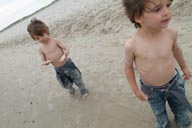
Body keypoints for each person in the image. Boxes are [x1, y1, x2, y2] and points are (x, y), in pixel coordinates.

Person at [122, 0, 191, 127]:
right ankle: (163, 123)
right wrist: (136, 90)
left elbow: (176, 50)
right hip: (151, 90)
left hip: (174, 83)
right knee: (159, 114)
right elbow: (128, 67)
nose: (167, 12)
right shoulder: (132, 45)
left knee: (181, 109)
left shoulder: (171, 34)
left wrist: (184, 67)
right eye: (157, 9)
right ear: (138, 17)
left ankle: (184, 124)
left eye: (168, 5)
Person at [27, 18, 88, 100]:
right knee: (65, 83)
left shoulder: (55, 41)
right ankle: (71, 89)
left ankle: (83, 90)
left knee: (77, 78)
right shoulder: (41, 49)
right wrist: (45, 62)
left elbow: (66, 48)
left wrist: (65, 55)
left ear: (46, 31)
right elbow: (44, 60)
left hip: (68, 64)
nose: (40, 39)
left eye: (41, 35)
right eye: (37, 38)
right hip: (58, 69)